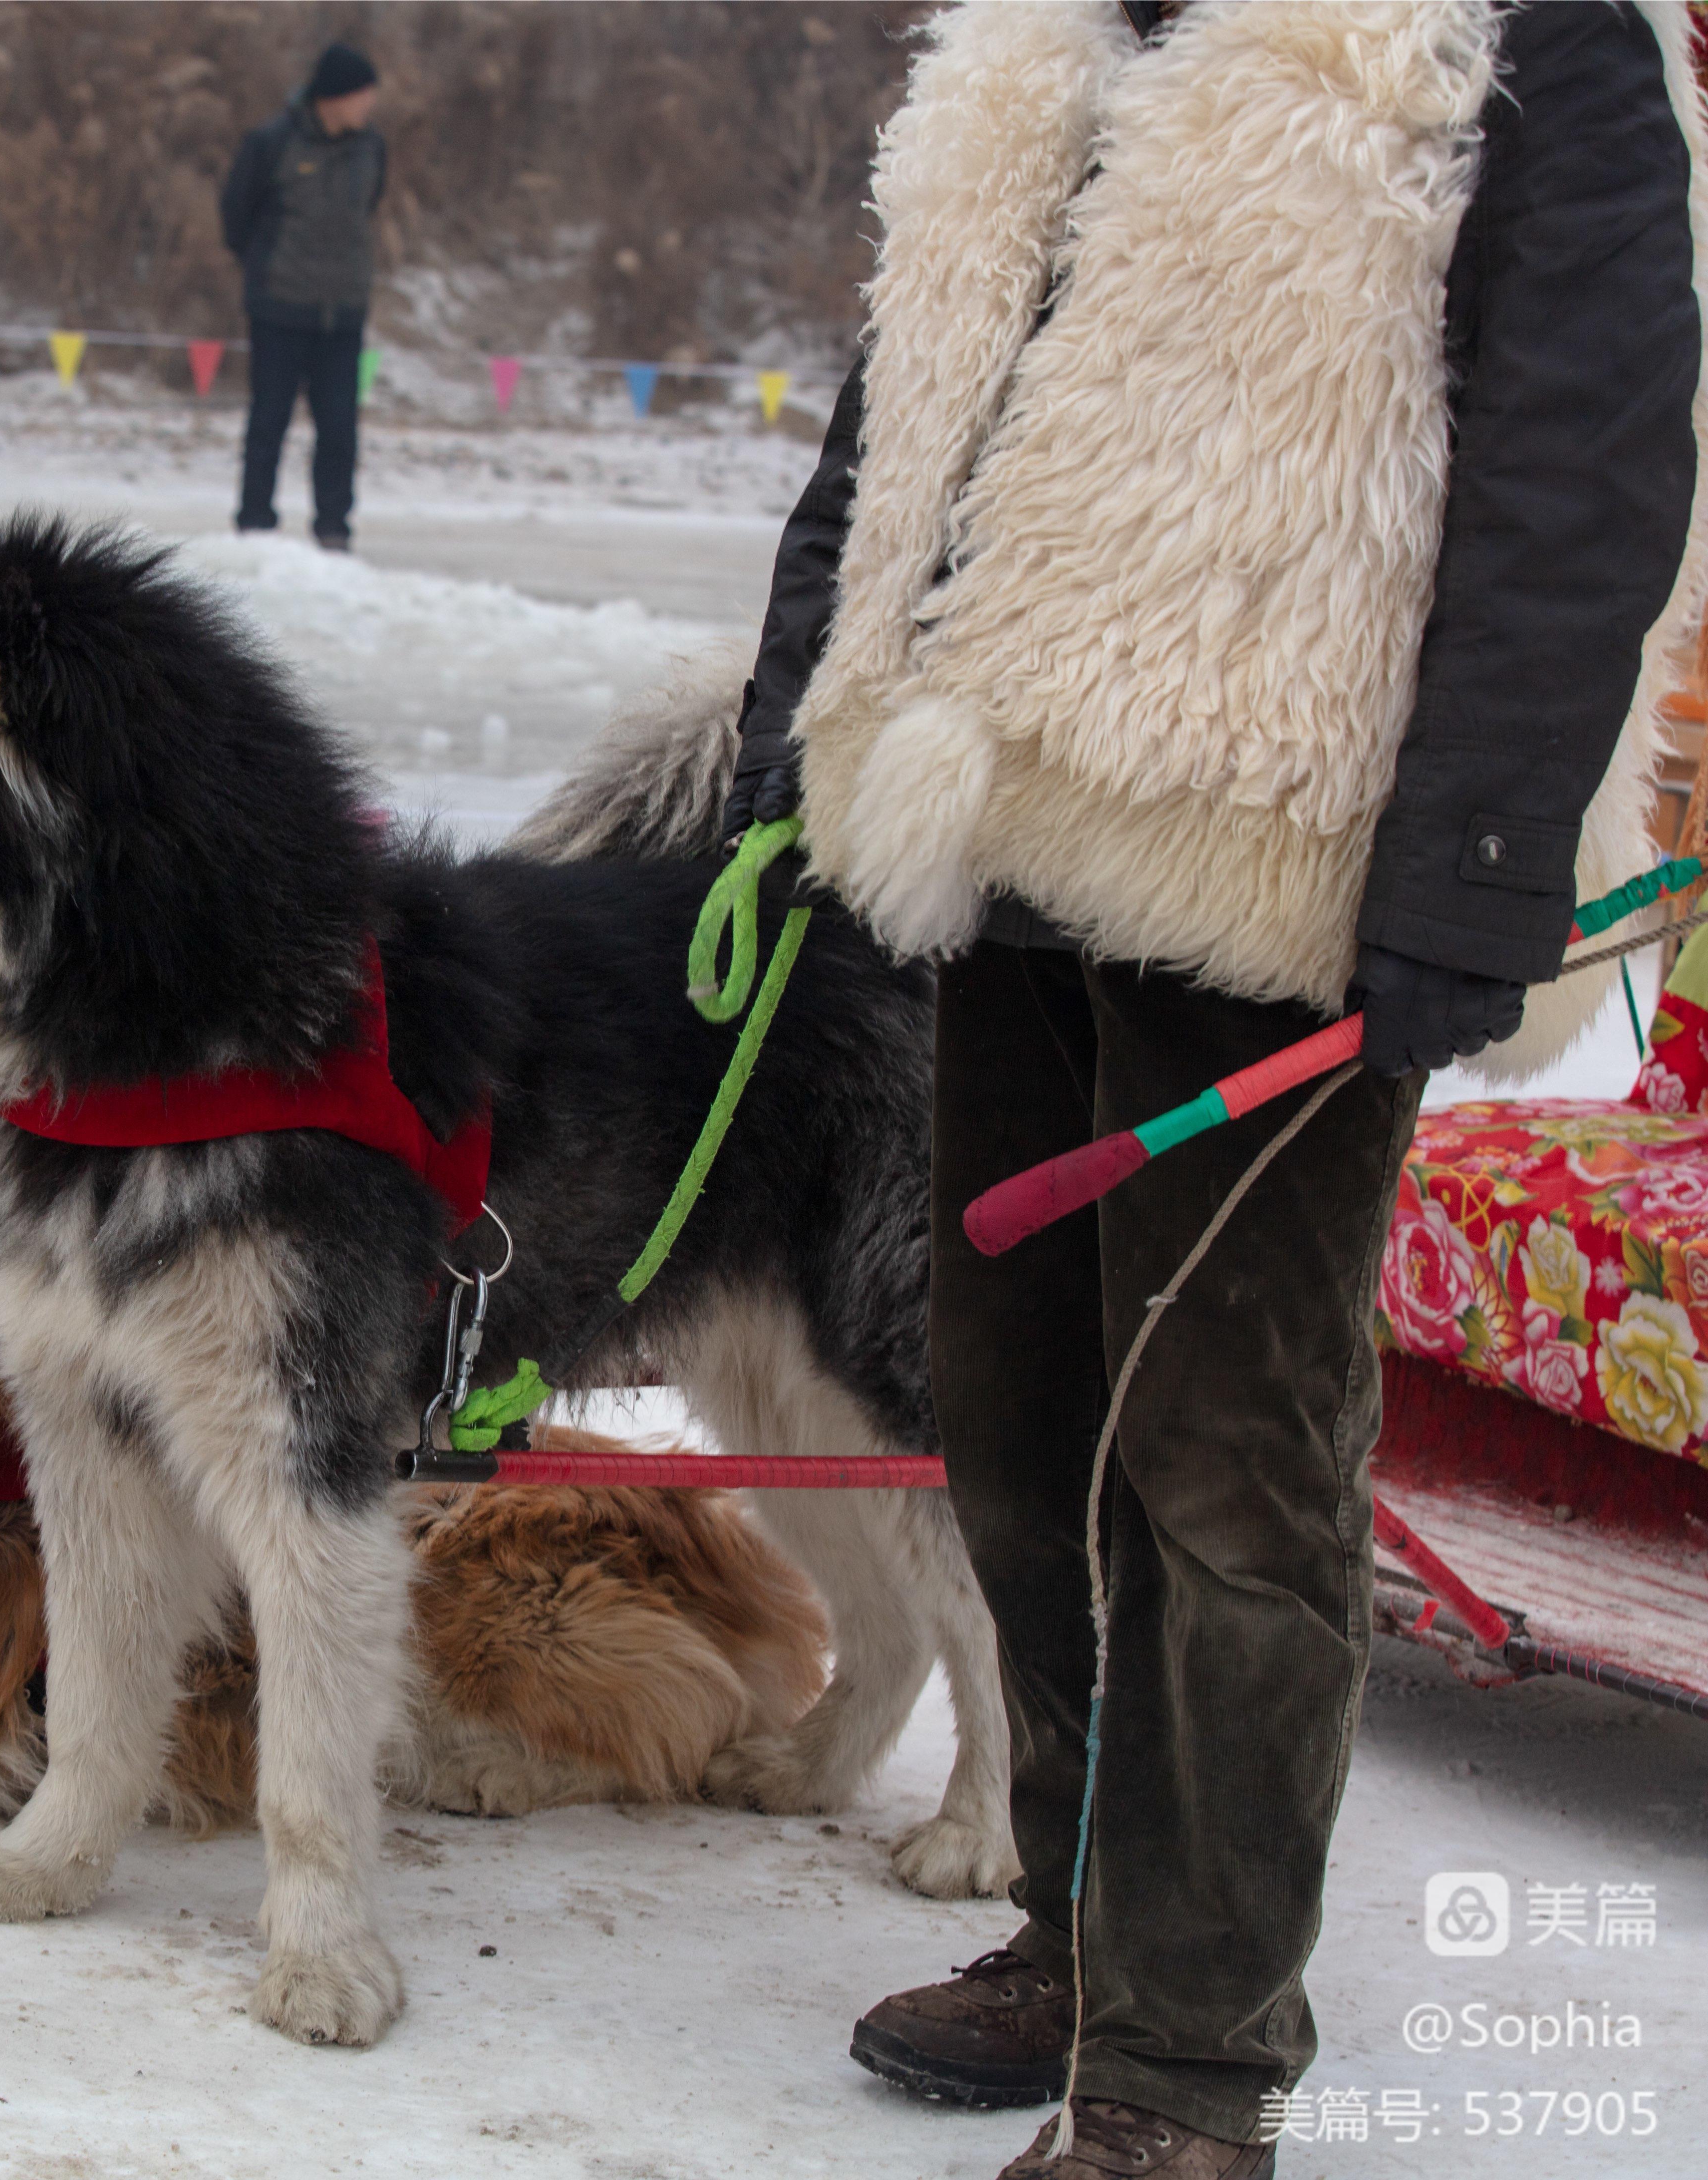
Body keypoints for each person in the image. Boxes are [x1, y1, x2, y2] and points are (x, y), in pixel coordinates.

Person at [721, 3, 1699, 2175]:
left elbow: (1590, 455)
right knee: (1019, 1422)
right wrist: (807, 714)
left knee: (1225, 1466)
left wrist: (1472, 856)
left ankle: (1185, 2058)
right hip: (1004, 824)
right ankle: (1078, 1937)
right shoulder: (1044, 26)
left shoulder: (1509, 32)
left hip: (1285, 846)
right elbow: (908, 407)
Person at [221, 39, 386, 551]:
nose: (371, 105)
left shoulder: (372, 148)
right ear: (333, 97)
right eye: (364, 95)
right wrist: (269, 271)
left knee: (339, 429)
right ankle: (254, 525)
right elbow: (236, 218)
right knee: (269, 421)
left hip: (344, 314)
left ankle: (334, 529)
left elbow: (370, 208)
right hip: (280, 309)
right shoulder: (271, 143)